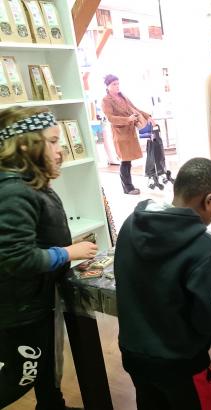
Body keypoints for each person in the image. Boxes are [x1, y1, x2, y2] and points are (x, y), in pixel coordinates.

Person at [115, 157, 211, 410]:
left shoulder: (130, 224)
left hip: (135, 354)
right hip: (180, 364)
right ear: (209, 200)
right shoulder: (203, 247)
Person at [0, 107, 98, 410]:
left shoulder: (30, 184)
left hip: (36, 299)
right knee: (24, 373)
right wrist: (68, 252)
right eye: (54, 142)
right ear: (27, 145)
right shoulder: (14, 193)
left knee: (45, 366)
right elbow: (16, 257)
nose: (61, 150)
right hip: (20, 309)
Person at [102, 74, 154, 195]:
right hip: (120, 134)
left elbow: (134, 108)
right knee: (125, 161)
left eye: (118, 83)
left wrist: (148, 116)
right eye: (114, 84)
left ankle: (128, 187)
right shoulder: (106, 100)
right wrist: (127, 119)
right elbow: (110, 118)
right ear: (108, 86)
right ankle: (128, 188)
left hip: (130, 132)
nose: (117, 86)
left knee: (128, 161)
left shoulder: (123, 96)